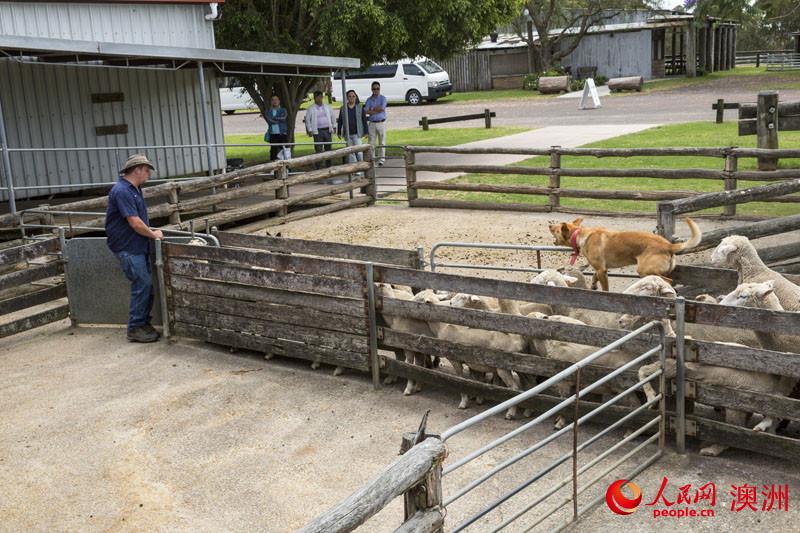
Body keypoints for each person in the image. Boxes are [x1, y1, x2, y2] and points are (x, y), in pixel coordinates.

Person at [105, 154, 164, 343]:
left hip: (137, 245)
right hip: (128, 246)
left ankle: (143, 323)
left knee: (146, 286)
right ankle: (135, 328)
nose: (148, 174)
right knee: (142, 285)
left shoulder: (135, 190)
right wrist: (153, 234)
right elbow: (135, 222)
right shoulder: (122, 191)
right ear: (137, 169)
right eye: (146, 170)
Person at [303, 90, 336, 168]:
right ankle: (319, 167)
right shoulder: (311, 108)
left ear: (322, 97)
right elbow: (308, 120)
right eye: (316, 97)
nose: (318, 99)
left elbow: (333, 117)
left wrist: (334, 126)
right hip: (317, 131)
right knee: (318, 150)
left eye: (320, 97)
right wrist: (310, 130)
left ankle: (329, 166)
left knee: (328, 149)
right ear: (314, 98)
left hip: (327, 130)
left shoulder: (327, 107)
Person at [336, 90, 368, 165]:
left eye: (353, 96)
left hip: (357, 133)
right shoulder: (343, 108)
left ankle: (361, 168)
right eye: (349, 96)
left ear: (356, 97)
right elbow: (340, 120)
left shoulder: (360, 107)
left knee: (359, 152)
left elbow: (364, 120)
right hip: (347, 134)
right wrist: (339, 132)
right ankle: (354, 169)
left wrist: (366, 132)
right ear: (347, 97)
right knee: (351, 153)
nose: (351, 98)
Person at [364, 81, 388, 167]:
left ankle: (381, 159)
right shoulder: (368, 99)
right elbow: (366, 111)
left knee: (382, 142)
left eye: (377, 88)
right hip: (372, 124)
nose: (376, 90)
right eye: (374, 88)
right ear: (371, 89)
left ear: (380, 89)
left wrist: (372, 109)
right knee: (371, 142)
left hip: (381, 122)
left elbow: (382, 108)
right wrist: (374, 110)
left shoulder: (383, 98)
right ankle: (372, 159)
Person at [264, 95, 289, 161]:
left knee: (285, 152)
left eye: (276, 99)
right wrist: (279, 119)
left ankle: (287, 168)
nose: (274, 101)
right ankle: (273, 168)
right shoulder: (268, 111)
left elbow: (284, 119)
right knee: (273, 152)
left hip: (282, 133)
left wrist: (275, 118)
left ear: (279, 101)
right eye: (273, 100)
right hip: (273, 134)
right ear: (271, 102)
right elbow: (270, 121)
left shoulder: (283, 110)